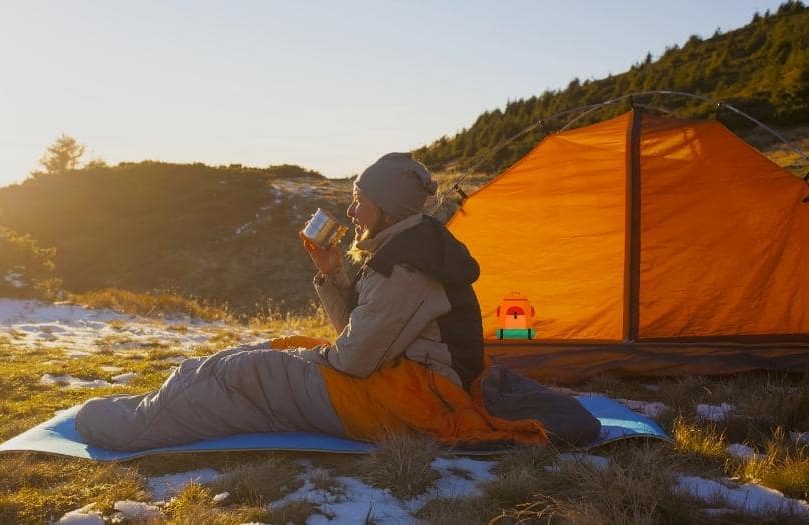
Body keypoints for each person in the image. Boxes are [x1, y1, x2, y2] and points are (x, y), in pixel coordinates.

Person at [74, 153, 599, 451]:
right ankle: (158, 403)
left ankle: (139, 427)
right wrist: (332, 275)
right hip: (400, 376)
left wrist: (309, 359)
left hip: (414, 397)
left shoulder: (406, 265)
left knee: (250, 373)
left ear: (385, 206)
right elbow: (362, 329)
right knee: (257, 354)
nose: (350, 209)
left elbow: (352, 357)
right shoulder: (402, 247)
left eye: (359, 198)